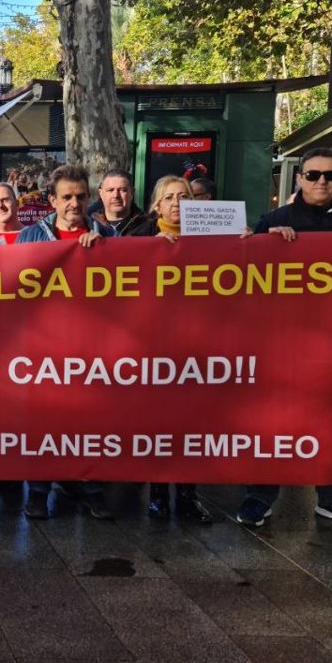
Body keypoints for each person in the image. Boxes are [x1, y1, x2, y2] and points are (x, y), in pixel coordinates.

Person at [233, 147, 332, 532]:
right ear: (299, 178)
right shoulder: (275, 220)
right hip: (278, 341)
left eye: (330, 175)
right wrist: (263, 243)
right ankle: (260, 495)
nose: (322, 181)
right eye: (314, 174)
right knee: (271, 416)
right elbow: (244, 276)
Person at [18, 165, 116, 521]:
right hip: (43, 345)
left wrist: (104, 253)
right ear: (53, 200)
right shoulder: (30, 236)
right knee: (43, 422)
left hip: (91, 347)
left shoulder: (107, 235)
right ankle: (38, 491)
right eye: (67, 197)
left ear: (89, 198)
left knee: (89, 422)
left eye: (81, 196)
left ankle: (90, 488)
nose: (75, 203)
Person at [127, 175, 212, 523]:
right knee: (158, 423)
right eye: (169, 198)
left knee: (190, 423)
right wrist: (149, 250)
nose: (177, 203)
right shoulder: (139, 236)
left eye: (183, 196)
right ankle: (159, 496)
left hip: (197, 345)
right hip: (153, 345)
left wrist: (252, 241)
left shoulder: (211, 235)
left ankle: (188, 496)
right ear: (156, 206)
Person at [91, 169, 147, 236]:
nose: (116, 196)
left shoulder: (149, 226)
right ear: (101, 193)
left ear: (132, 193)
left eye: (122, 190)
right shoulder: (88, 224)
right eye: (110, 190)